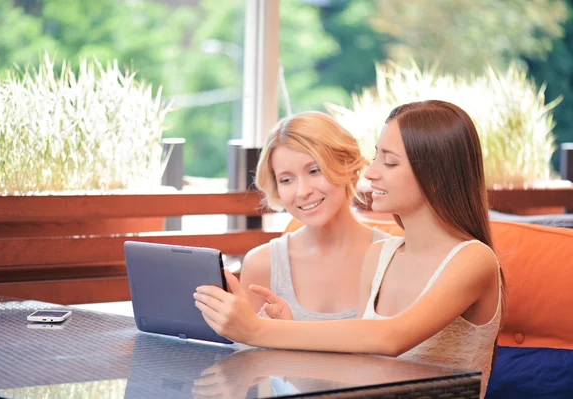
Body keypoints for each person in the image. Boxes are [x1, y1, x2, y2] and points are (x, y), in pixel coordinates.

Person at [194, 100, 505, 398]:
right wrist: (288, 335)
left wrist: (256, 329)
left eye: (390, 162)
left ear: (436, 176)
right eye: (376, 157)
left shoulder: (474, 259)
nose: (370, 172)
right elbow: (358, 372)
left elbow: (390, 338)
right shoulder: (380, 258)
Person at [241, 110, 391, 321]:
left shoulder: (393, 258)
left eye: (314, 171)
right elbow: (245, 351)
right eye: (286, 180)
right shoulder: (261, 264)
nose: (302, 191)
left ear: (347, 165)